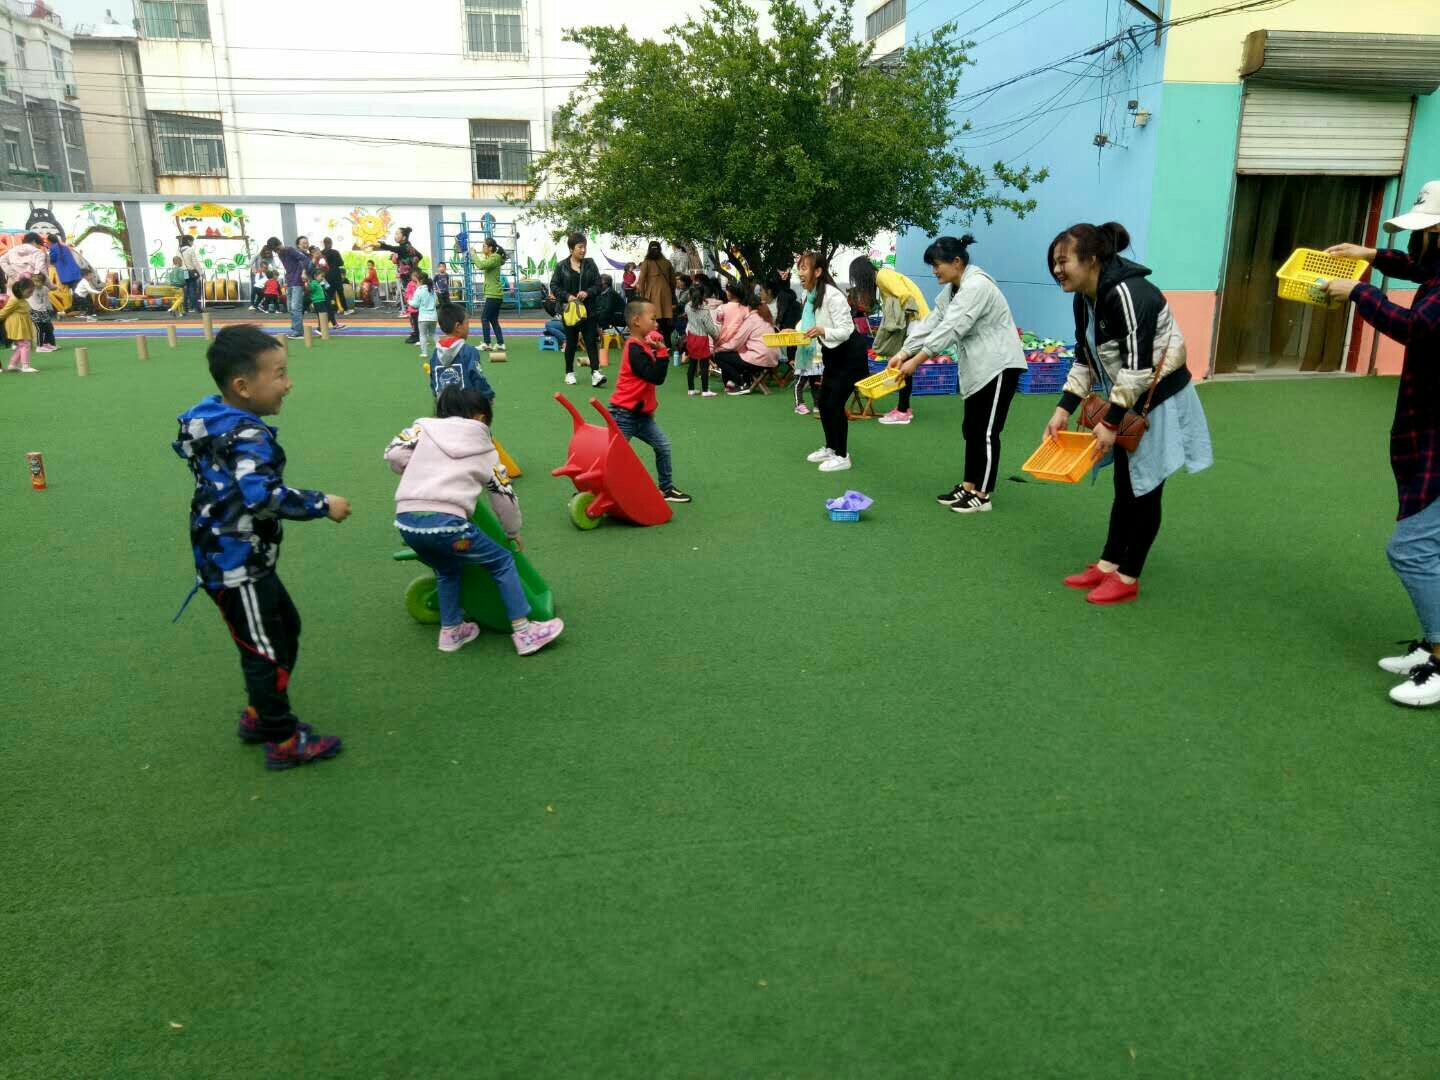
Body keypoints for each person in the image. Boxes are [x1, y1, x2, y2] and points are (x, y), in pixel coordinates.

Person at [172, 325, 352, 769]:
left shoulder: (216, 420)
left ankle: (260, 711)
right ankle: (281, 737)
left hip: (241, 556)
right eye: (280, 374)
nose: (288, 383)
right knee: (265, 651)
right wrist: (322, 504)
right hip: (235, 564)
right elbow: (263, 496)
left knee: (283, 628)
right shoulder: (247, 436)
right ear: (243, 386)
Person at [1043, 221, 1212, 605]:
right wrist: (1063, 408)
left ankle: (1128, 574)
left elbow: (1138, 368)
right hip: (1128, 400)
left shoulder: (1129, 294)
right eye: (1053, 262)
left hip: (1158, 400)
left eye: (1063, 261)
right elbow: (1085, 357)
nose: (1056, 270)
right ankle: (1108, 563)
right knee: (1125, 483)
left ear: (1091, 259)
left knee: (1145, 488)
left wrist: (1109, 422)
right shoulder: (1083, 298)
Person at [1321, 181, 1440, 705]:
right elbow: (1419, 268)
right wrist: (1369, 255)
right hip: (1423, 429)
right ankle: (1433, 645)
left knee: (1411, 549)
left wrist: (1358, 292)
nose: (1419, 241)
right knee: (1431, 547)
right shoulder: (1435, 263)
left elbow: (1417, 326)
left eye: (1425, 231)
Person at [385, 385, 565, 657]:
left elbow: (395, 453)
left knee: (447, 570)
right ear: (481, 418)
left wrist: (421, 467)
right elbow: (503, 495)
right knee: (502, 561)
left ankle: (451, 631)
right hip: (449, 527)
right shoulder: (485, 449)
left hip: (407, 521)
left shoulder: (423, 429)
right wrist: (512, 530)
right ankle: (524, 633)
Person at [885, 237, 1027, 512]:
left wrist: (917, 360)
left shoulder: (977, 286)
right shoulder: (952, 290)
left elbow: (952, 327)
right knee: (971, 429)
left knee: (986, 432)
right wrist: (904, 352)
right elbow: (933, 321)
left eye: (937, 265)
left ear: (957, 262)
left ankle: (982, 496)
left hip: (999, 365)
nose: (934, 271)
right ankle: (968, 485)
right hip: (979, 368)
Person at [608, 300, 691, 503]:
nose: (656, 323)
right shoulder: (634, 348)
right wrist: (662, 352)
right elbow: (655, 377)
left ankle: (666, 488)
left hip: (641, 415)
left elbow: (646, 386)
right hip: (623, 414)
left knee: (663, 446)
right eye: (653, 319)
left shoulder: (644, 345)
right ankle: (598, 488)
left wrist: (649, 408)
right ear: (637, 321)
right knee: (613, 454)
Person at [800, 251, 868, 473]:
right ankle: (831, 447)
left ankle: (842, 455)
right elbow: (808, 324)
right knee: (823, 403)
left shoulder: (833, 296)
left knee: (835, 404)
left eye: (804, 268)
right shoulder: (811, 295)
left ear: (818, 271)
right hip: (833, 354)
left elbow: (846, 330)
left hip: (850, 356)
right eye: (799, 268)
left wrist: (822, 330)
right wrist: (794, 331)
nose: (800, 273)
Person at [850, 260, 928, 424]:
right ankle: (904, 408)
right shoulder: (882, 278)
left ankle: (902, 411)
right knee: (903, 364)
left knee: (903, 365)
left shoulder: (883, 275)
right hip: (915, 320)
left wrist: (905, 322)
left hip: (916, 320)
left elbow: (905, 295)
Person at [548, 232, 606, 388]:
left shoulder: (590, 264)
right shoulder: (561, 266)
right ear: (571, 249)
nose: (583, 250)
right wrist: (567, 296)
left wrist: (587, 292)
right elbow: (554, 285)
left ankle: (596, 372)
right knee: (572, 342)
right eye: (580, 247)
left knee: (591, 341)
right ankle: (569, 373)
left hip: (589, 310)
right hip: (570, 311)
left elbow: (598, 284)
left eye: (584, 247)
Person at [714, 288, 779, 395]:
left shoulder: (752, 319)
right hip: (772, 359)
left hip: (758, 358)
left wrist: (720, 348)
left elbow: (736, 342)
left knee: (719, 356)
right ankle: (741, 381)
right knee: (734, 356)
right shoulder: (766, 318)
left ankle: (741, 383)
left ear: (748, 307)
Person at [429, 304, 496, 401]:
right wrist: (488, 396)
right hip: (466, 405)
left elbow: (433, 380)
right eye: (467, 323)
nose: (468, 327)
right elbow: (477, 377)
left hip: (444, 404)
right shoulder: (469, 351)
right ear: (458, 326)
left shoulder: (435, 353)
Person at [266, 235, 311, 340]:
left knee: (295, 307)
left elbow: (305, 259)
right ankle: (296, 329)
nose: (277, 251)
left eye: (278, 248)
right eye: (275, 250)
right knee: (290, 308)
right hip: (290, 282)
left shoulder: (290, 250)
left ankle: (298, 332)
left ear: (280, 243)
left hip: (297, 281)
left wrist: (304, 272)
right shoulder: (280, 254)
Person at [682, 283, 720, 397]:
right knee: (704, 365)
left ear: (690, 295)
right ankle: (705, 390)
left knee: (692, 364)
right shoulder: (704, 310)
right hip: (702, 338)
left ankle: (691, 389)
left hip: (691, 337)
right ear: (703, 295)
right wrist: (716, 336)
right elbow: (710, 328)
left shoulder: (687, 306)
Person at [635, 240, 677, 341]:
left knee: (653, 319)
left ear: (649, 250)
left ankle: (654, 342)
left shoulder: (646, 263)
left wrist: (643, 296)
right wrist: (671, 291)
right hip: (666, 294)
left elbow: (641, 281)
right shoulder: (667, 262)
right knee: (665, 320)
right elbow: (673, 281)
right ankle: (667, 343)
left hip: (651, 295)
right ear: (660, 249)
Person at [375, 226, 423, 310]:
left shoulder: (404, 247)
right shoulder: (409, 246)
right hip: (411, 275)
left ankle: (409, 310)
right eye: (395, 234)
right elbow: (420, 256)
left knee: (408, 293)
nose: (395, 236)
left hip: (407, 276)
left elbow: (390, 248)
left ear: (404, 237)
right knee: (410, 292)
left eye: (397, 234)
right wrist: (411, 262)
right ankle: (408, 309)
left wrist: (378, 244)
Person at [475, 238, 508, 353]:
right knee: (493, 319)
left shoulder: (494, 258)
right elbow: (483, 263)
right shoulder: (493, 258)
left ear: (490, 248)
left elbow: (480, 265)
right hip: (495, 294)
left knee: (484, 318)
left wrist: (473, 254)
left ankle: (487, 343)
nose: (482, 248)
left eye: (484, 246)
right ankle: (500, 344)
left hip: (493, 294)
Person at [1, 277, 37, 372]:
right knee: (25, 345)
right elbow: (4, 311)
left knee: (21, 345)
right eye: (29, 292)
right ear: (21, 290)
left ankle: (12, 364)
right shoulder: (14, 300)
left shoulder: (22, 300)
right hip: (17, 327)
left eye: (32, 292)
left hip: (22, 326)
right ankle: (25, 366)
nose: (31, 294)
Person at [320, 236, 350, 315]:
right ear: (331, 243)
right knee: (340, 293)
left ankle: (328, 310)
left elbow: (320, 265)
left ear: (324, 243)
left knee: (328, 293)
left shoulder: (321, 253)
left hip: (326, 276)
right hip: (336, 275)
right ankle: (345, 309)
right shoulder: (335, 252)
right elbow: (341, 263)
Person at [411, 271, 438, 356]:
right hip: (433, 316)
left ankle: (424, 353)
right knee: (433, 333)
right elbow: (437, 303)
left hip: (423, 317)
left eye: (416, 281)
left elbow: (415, 304)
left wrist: (409, 302)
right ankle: (441, 349)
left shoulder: (419, 290)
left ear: (420, 281)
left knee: (422, 335)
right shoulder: (432, 290)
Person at [178, 235, 204, 315]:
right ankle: (197, 308)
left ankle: (185, 308)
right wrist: (201, 273)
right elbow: (195, 263)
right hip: (191, 272)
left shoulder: (179, 250)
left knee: (186, 290)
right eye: (192, 241)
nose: (193, 243)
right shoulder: (190, 250)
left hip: (184, 272)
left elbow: (178, 262)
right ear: (189, 241)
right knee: (192, 290)